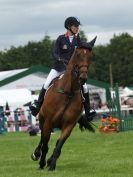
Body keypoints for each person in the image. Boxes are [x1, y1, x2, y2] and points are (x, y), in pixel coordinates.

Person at [29, 16, 96, 121]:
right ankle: (37, 105)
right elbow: (54, 52)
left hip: (73, 71)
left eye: (78, 26)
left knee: (85, 87)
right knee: (46, 83)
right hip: (59, 68)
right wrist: (59, 58)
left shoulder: (79, 41)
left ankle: (88, 111)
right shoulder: (61, 38)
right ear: (69, 27)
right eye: (75, 26)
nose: (77, 28)